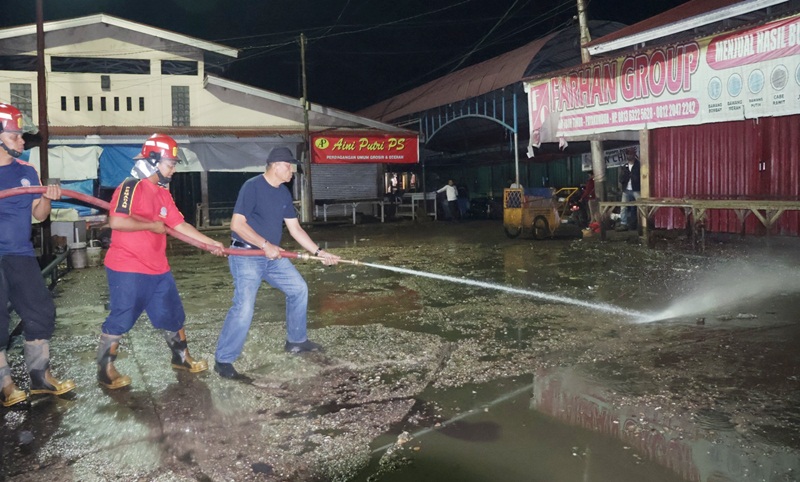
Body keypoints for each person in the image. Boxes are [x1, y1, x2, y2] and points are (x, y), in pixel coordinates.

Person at [97, 133, 225, 389]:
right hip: (128, 266)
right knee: (121, 318)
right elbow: (117, 221)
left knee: (173, 315)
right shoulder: (131, 186)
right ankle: (105, 369)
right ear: (153, 160)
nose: (174, 169)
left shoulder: (163, 194)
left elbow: (179, 224)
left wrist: (211, 243)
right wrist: (151, 225)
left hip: (158, 267)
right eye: (171, 164)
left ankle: (181, 358)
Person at [214, 147, 340, 380]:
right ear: (276, 165)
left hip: (272, 257)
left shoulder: (283, 193)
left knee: (298, 289)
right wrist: (264, 244)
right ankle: (223, 360)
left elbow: (295, 228)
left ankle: (296, 341)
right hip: (247, 256)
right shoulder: (252, 187)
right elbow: (237, 225)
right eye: (289, 166)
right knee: (244, 308)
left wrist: (319, 252)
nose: (292, 171)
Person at [0, 103, 75, 407]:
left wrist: (46, 197)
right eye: (15, 135)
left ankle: (40, 376)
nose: (21, 140)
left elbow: (40, 216)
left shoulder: (27, 171)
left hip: (20, 254)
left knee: (41, 312)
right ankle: (5, 384)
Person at [617, 150, 641, 231]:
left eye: (630, 154)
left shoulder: (639, 165)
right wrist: (624, 175)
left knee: (640, 207)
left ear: (634, 155)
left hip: (636, 189)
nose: (629, 156)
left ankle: (642, 223)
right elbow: (621, 179)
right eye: (628, 154)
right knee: (623, 207)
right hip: (626, 189)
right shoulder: (624, 166)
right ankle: (624, 224)